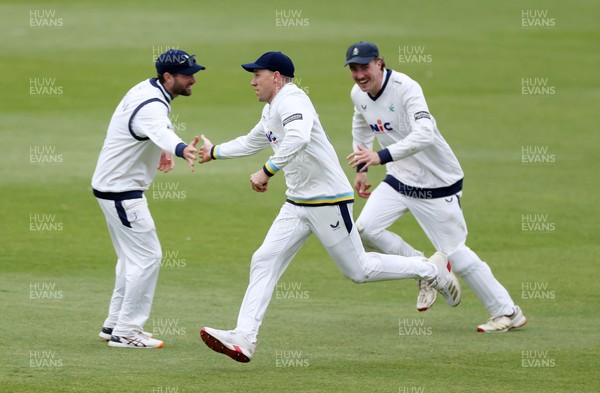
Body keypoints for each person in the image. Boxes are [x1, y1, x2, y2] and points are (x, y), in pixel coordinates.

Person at [197, 51, 461, 363]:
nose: (253, 82)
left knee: (358, 271)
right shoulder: (271, 109)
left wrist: (266, 171)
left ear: (277, 77)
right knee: (264, 259)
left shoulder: (292, 100)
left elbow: (297, 138)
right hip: (297, 202)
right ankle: (244, 337)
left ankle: (431, 268)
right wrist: (213, 152)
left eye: (258, 75)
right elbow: (252, 140)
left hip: (327, 200)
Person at [344, 41, 527, 332]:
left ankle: (507, 312)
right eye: (353, 69)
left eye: (364, 67)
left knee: (455, 252)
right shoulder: (359, 94)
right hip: (400, 177)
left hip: (436, 181)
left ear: (379, 63)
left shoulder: (406, 88)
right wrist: (362, 166)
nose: (359, 75)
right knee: (365, 229)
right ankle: (427, 270)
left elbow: (425, 134)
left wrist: (379, 156)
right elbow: (361, 122)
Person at [91, 49, 203, 348]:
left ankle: (114, 323)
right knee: (148, 257)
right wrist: (180, 149)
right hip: (122, 192)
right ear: (168, 77)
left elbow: (151, 127)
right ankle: (127, 332)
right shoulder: (153, 104)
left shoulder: (147, 88)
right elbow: (158, 127)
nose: (193, 79)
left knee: (130, 258)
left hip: (112, 187)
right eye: (187, 75)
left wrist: (163, 150)